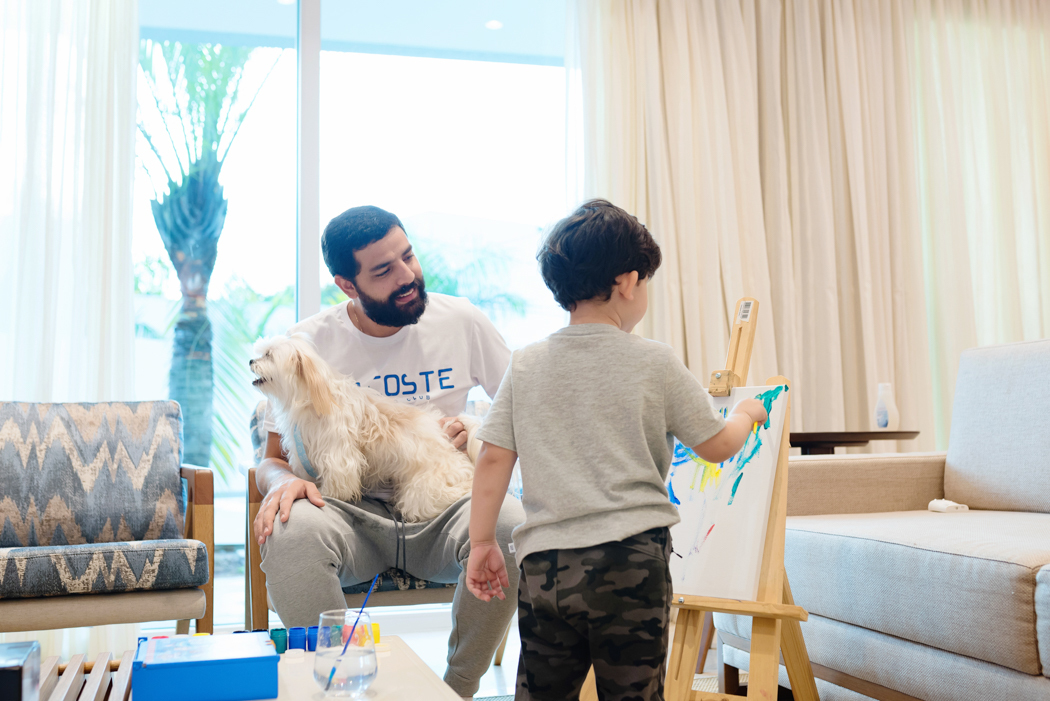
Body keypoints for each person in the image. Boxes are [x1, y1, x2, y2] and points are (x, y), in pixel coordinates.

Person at [464, 199, 769, 701]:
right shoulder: (654, 361)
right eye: (645, 282)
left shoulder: (525, 365)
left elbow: (493, 458)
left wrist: (481, 544)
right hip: (630, 561)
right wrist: (745, 414)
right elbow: (716, 446)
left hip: (546, 567)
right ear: (628, 283)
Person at [254, 205, 524, 699]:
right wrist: (281, 481)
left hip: (443, 507)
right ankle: (334, 688)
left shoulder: (461, 321)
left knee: (509, 523)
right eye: (383, 270)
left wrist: (474, 426)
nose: (407, 277)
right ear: (347, 285)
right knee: (291, 534)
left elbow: (526, 412)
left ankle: (458, 689)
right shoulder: (306, 345)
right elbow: (270, 459)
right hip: (346, 514)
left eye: (408, 256)